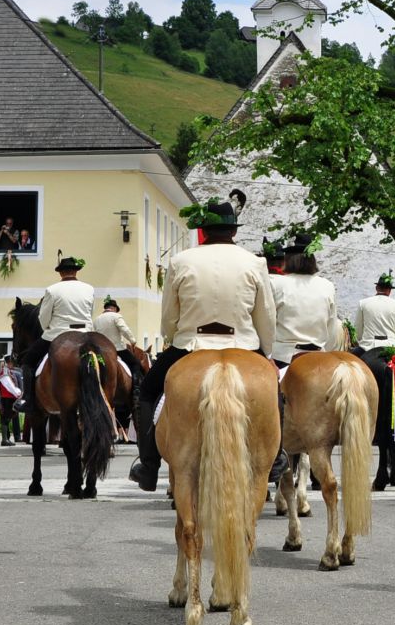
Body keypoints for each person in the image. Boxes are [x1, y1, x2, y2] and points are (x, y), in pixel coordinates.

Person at [128, 198, 275, 492]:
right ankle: (278, 456)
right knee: (275, 393)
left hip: (191, 345)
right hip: (243, 344)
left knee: (147, 391)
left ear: (203, 230)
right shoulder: (255, 262)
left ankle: (149, 465)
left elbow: (169, 317)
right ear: (233, 231)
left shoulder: (180, 261)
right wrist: (265, 351)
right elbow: (266, 315)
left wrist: (173, 336)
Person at [355, 271, 395, 491]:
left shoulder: (364, 303)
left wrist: (364, 344)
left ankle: (382, 471)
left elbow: (359, 331)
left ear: (377, 288)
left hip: (369, 347)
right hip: (393, 349)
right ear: (389, 290)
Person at [14, 255, 96, 413]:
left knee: (28, 360)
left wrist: (47, 329)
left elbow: (43, 318)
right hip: (85, 332)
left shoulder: (52, 290)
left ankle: (28, 399)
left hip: (57, 334)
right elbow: (90, 312)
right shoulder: (89, 289)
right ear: (76, 272)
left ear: (61, 273)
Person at [268, 235, 337, 365]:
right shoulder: (328, 285)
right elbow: (332, 331)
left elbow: (266, 324)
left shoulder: (275, 283)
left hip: (283, 358)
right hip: (319, 356)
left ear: (287, 259)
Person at [95, 297, 141, 377]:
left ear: (106, 308)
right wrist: (132, 341)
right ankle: (136, 387)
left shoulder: (97, 319)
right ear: (114, 308)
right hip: (117, 349)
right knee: (135, 363)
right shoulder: (116, 316)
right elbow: (125, 330)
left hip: (101, 350)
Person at [0, 356, 22, 446]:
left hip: (13, 399)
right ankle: (5, 439)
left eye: (11, 363)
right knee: (5, 419)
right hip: (5, 399)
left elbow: (20, 388)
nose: (10, 364)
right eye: (9, 363)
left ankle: (8, 439)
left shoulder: (15, 374)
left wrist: (19, 399)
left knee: (9, 419)